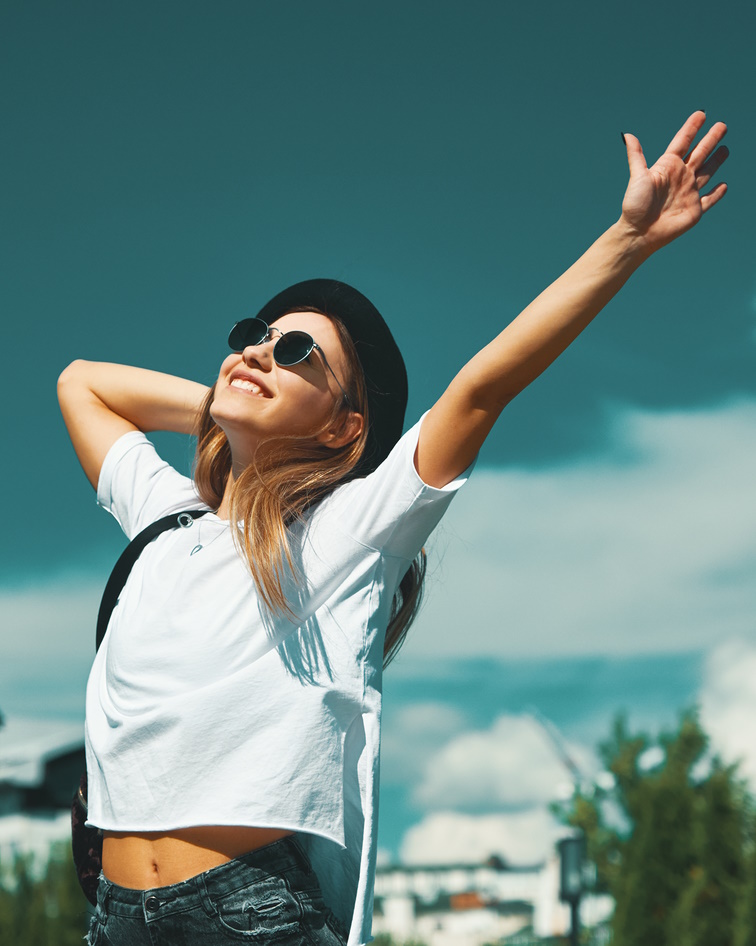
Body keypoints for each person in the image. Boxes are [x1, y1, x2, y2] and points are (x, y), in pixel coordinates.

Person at [58, 110, 728, 946]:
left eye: (298, 354)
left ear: (346, 427)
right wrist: (230, 401)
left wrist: (626, 242)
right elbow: (82, 383)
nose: (261, 349)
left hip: (249, 915)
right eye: (253, 338)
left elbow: (482, 388)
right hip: (113, 918)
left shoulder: (351, 533)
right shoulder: (166, 523)